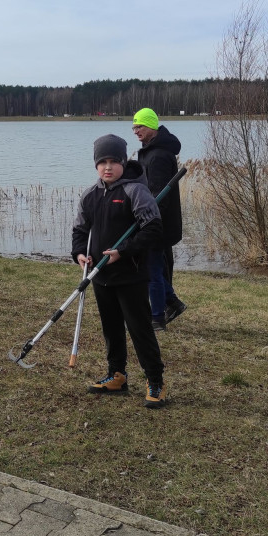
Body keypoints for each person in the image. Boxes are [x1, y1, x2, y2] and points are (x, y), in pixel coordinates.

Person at [72, 133, 167, 408]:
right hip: (101, 276)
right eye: (103, 162)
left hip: (131, 275)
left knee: (139, 329)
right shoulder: (90, 195)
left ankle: (155, 382)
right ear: (96, 166)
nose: (108, 167)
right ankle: (117, 375)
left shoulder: (135, 191)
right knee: (111, 328)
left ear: (124, 162)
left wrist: (123, 252)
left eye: (114, 161)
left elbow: (153, 229)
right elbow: (79, 229)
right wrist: (79, 253)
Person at [132, 108, 186, 331]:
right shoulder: (149, 150)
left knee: (152, 270)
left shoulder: (160, 155)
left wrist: (147, 221)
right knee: (151, 267)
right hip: (153, 220)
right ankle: (172, 302)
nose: (136, 131)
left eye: (140, 126)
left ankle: (157, 319)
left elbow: (157, 196)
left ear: (152, 126)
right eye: (134, 127)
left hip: (158, 222)